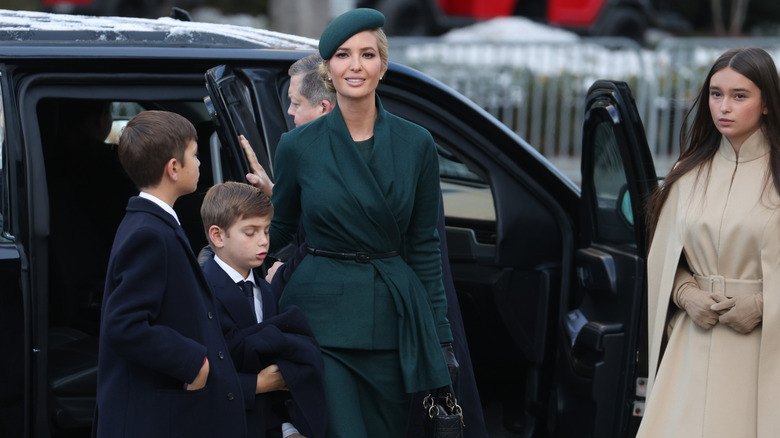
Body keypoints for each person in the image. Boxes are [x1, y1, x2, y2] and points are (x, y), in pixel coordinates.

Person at [264, 8, 456, 437]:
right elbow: (279, 232)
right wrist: (232, 239)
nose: (355, 65)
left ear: (382, 67)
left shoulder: (417, 144)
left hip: (392, 320)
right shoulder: (297, 146)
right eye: (343, 55)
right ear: (328, 69)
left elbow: (424, 246)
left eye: (367, 54)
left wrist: (440, 334)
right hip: (320, 319)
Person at [639, 47, 780, 438]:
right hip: (692, 342)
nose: (724, 107)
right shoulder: (688, 174)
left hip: (763, 351)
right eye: (716, 94)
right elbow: (665, 258)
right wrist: (685, 294)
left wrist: (764, 305)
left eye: (740, 95)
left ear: (767, 102)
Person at [93, 111, 247, 437]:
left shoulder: (152, 223)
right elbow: (125, 325)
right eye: (194, 154)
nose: (200, 162)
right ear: (173, 169)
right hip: (155, 417)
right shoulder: (149, 233)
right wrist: (194, 362)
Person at [200, 181, 326, 438]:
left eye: (267, 231)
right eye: (251, 232)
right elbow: (200, 372)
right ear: (217, 235)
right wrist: (257, 385)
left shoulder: (266, 292)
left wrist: (288, 430)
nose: (263, 241)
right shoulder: (200, 290)